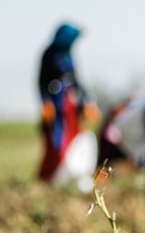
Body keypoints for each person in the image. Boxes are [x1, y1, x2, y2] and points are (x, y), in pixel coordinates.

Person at [38, 23, 99, 181]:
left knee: (74, 137)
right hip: (55, 105)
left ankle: (67, 174)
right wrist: (45, 102)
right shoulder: (49, 54)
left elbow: (76, 80)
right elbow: (41, 81)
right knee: (56, 139)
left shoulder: (68, 56)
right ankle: (49, 176)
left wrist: (87, 99)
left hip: (69, 105)